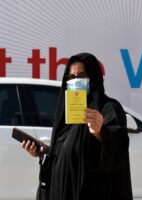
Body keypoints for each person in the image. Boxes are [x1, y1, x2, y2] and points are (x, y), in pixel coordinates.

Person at [21, 53, 133, 200]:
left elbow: (118, 149)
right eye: (71, 77)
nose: (75, 81)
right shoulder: (67, 113)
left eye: (81, 75)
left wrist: (100, 131)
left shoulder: (108, 108)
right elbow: (68, 150)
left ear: (93, 76)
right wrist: (44, 152)